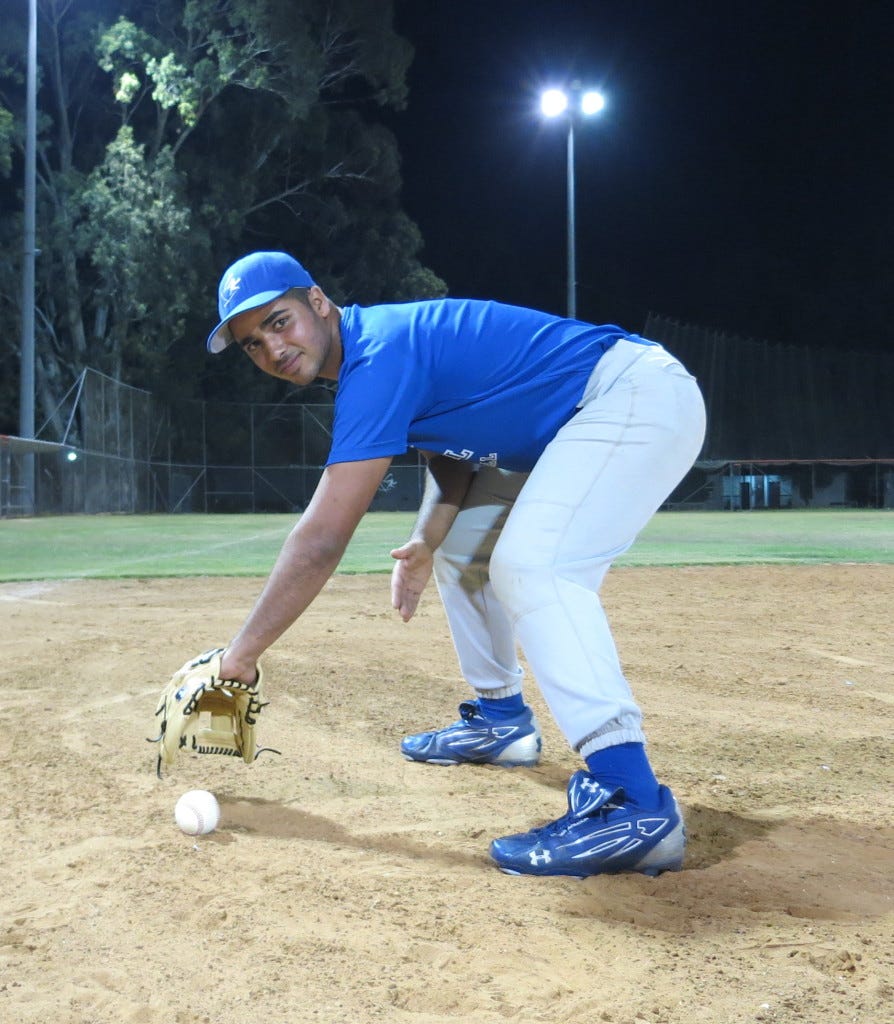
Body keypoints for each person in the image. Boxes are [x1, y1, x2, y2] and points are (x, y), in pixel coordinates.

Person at [204, 249, 706, 878]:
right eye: (252, 343)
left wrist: (240, 657)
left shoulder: (377, 355)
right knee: (465, 550)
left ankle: (632, 803)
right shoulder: (375, 352)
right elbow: (453, 449)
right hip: (585, 417)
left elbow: (321, 540)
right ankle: (501, 720)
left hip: (631, 395)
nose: (272, 348)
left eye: (279, 321)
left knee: (533, 565)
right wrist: (425, 541)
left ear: (318, 301)